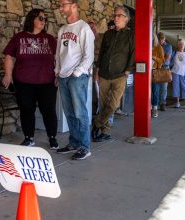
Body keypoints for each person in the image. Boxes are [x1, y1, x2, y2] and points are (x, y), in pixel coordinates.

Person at [2, 9, 58, 149]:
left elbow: (59, 59)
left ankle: (52, 137)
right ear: (32, 19)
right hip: (24, 83)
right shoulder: (19, 38)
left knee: (49, 111)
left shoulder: (50, 39)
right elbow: (9, 57)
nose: (43, 21)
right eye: (40, 18)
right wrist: (8, 75)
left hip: (47, 83)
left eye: (45, 19)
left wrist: (58, 75)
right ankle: (29, 138)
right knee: (26, 110)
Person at [54, 0, 95, 160]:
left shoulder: (84, 28)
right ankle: (74, 143)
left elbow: (89, 55)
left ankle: (85, 147)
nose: (61, 8)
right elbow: (58, 54)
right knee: (69, 113)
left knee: (80, 113)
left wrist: (77, 73)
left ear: (73, 5)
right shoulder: (63, 29)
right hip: (63, 76)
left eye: (63, 4)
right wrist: (57, 71)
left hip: (77, 77)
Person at [92, 5, 134, 140]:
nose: (115, 18)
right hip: (104, 74)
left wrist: (128, 70)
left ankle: (96, 123)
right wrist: (97, 71)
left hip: (120, 75)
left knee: (113, 105)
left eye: (118, 15)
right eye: (114, 15)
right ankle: (105, 132)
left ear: (126, 19)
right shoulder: (108, 34)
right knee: (103, 104)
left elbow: (133, 54)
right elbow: (102, 53)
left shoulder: (131, 35)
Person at [170, 39, 185, 108]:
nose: (181, 45)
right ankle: (177, 102)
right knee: (176, 87)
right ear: (177, 45)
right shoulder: (174, 53)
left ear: (184, 45)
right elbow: (170, 62)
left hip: (184, 72)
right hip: (175, 72)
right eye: (180, 44)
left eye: (182, 44)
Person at [151, 33, 165, 117]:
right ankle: (147, 107)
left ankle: (155, 108)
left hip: (155, 71)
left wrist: (154, 57)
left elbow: (162, 61)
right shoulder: (145, 45)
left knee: (155, 91)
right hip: (145, 72)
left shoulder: (159, 47)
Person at [158, 32, 172, 111]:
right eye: (159, 39)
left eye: (162, 39)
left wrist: (157, 59)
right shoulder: (155, 45)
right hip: (156, 68)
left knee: (163, 87)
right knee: (156, 87)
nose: (160, 41)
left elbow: (167, 57)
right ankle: (155, 103)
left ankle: (162, 103)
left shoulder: (168, 46)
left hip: (164, 68)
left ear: (164, 39)